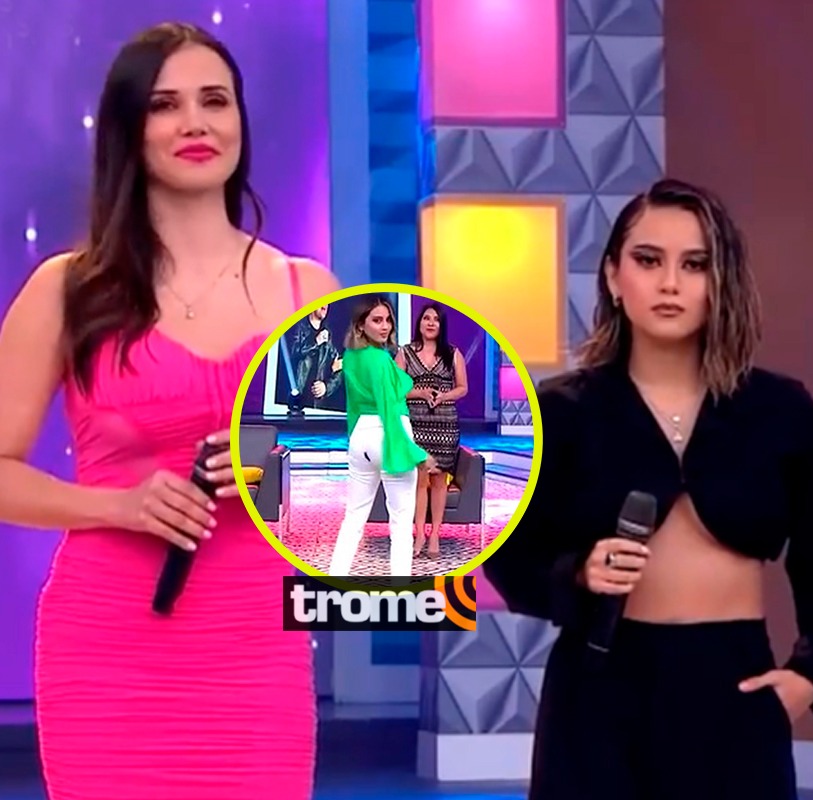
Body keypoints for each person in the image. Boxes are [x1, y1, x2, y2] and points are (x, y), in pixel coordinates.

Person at [0, 23, 340, 800]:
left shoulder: (307, 292)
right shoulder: (68, 289)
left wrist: (280, 466)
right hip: (108, 638)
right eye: (165, 105)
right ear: (130, 129)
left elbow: (362, 491)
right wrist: (117, 506)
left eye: (215, 101)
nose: (195, 123)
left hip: (256, 641)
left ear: (240, 121)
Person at [483, 178, 813, 800]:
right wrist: (578, 570)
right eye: (648, 260)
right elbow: (508, 555)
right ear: (613, 276)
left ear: (721, 282)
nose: (670, 283)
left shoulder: (780, 409)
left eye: (694, 265)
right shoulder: (559, 413)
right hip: (599, 688)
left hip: (733, 685)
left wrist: (810, 673)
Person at [328, 295, 431, 576]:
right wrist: (414, 452)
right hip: (388, 433)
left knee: (353, 519)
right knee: (400, 524)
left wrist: (353, 439)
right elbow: (389, 409)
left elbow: (352, 406)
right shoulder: (380, 360)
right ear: (360, 325)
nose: (385, 326)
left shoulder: (351, 357)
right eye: (377, 320)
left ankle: (335, 577)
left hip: (360, 436)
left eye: (388, 320)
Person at [400, 302, 467, 559]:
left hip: (445, 424)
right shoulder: (405, 353)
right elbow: (395, 389)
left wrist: (443, 396)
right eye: (426, 318)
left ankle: (435, 534)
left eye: (436, 319)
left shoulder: (453, 353)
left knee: (439, 481)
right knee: (419, 479)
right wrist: (420, 392)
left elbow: (462, 388)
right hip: (416, 424)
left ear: (441, 325)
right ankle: (418, 535)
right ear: (419, 322)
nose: (430, 323)